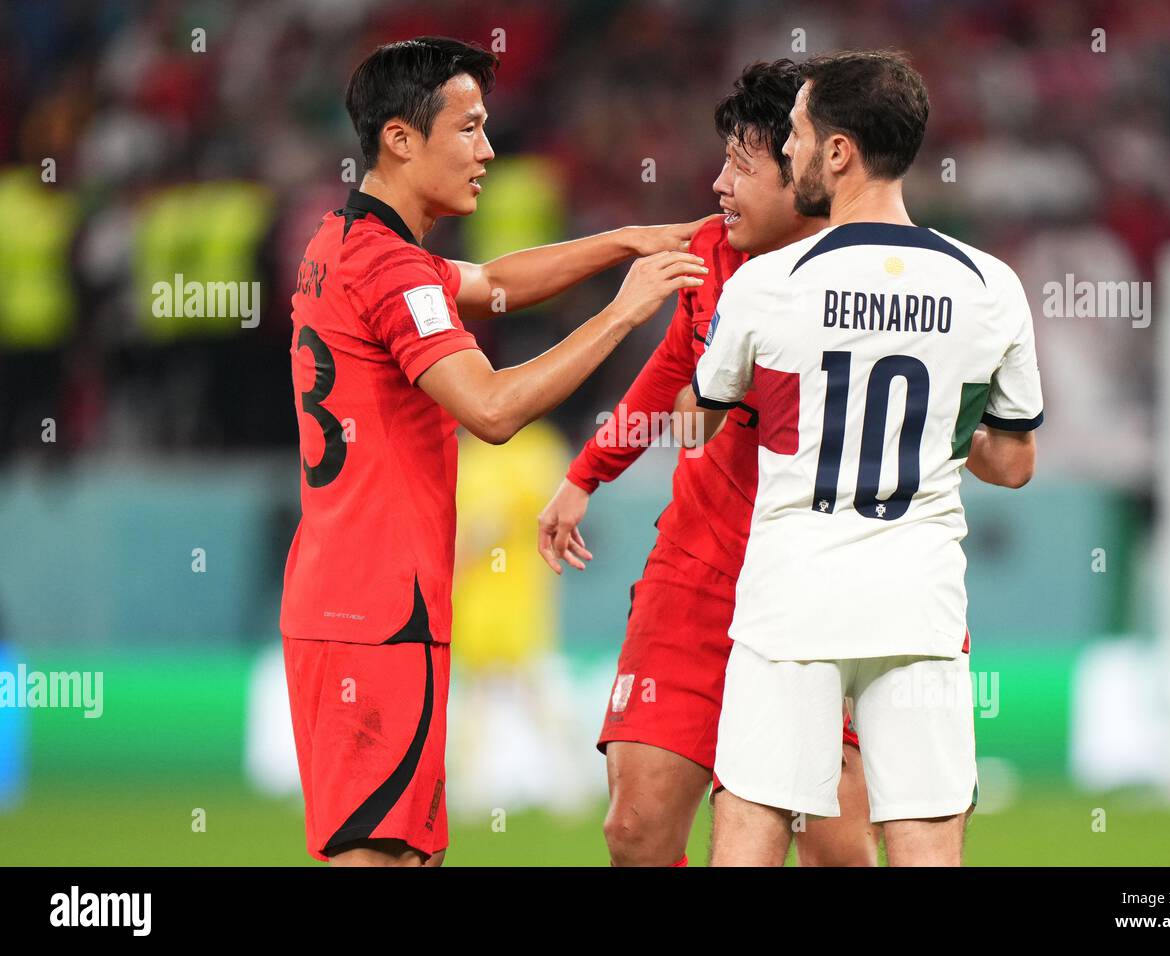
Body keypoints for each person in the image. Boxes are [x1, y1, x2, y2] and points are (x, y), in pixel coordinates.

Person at [279, 36, 708, 867]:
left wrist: (625, 241)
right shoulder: (393, 271)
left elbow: (496, 283)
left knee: (407, 854)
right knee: (380, 858)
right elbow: (494, 407)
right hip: (375, 613)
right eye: (469, 129)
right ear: (402, 138)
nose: (488, 151)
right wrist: (626, 312)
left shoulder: (344, 242)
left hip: (358, 599)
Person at [679, 50, 1043, 867]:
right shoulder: (991, 285)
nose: (790, 154)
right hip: (918, 603)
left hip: (791, 600)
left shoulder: (768, 283)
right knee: (923, 838)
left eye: (799, 136)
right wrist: (941, 431)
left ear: (838, 152)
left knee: (750, 827)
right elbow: (1014, 463)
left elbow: (694, 425)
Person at [538, 61, 876, 867]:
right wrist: (587, 472)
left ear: (805, 170)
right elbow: (670, 371)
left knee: (833, 848)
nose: (718, 183)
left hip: (815, 586)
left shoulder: (872, 279)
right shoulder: (708, 252)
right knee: (635, 830)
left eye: (743, 165)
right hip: (697, 568)